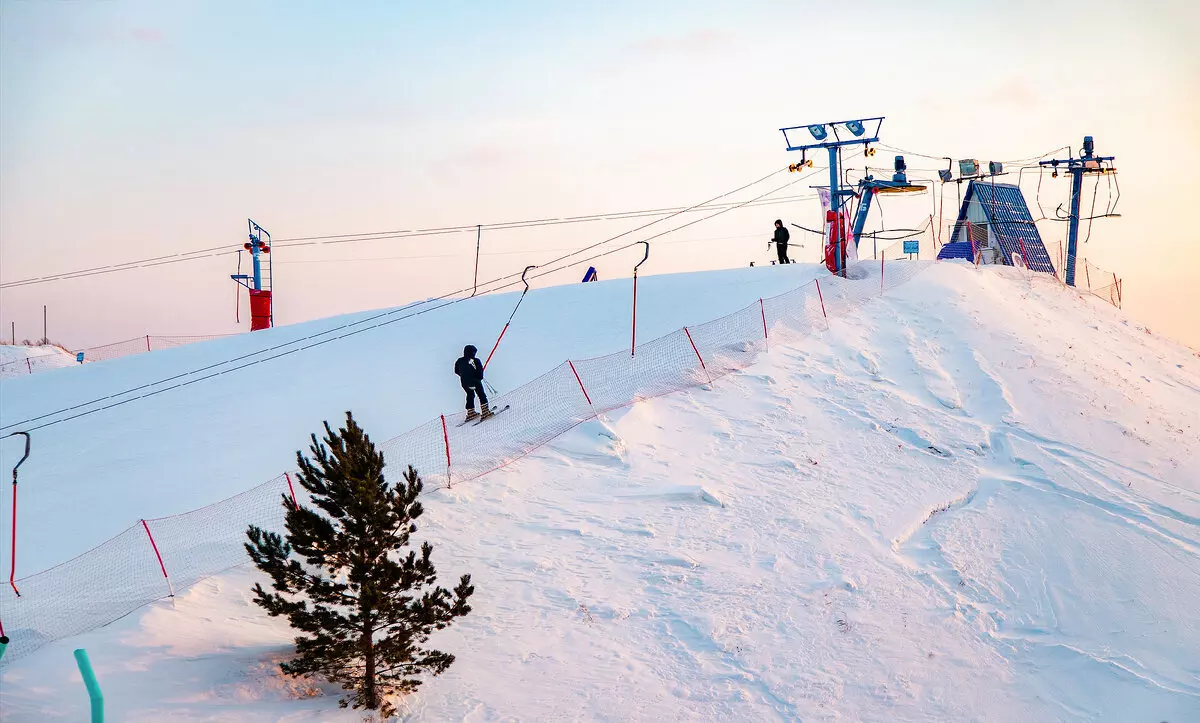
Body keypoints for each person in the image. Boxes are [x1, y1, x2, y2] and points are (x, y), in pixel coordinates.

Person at [454, 345, 492, 420]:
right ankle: (485, 412)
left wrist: (464, 375)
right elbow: (480, 374)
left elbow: (456, 371)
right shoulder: (476, 361)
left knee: (470, 394)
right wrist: (478, 377)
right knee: (481, 395)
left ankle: (470, 412)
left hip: (465, 383)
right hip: (475, 381)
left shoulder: (459, 361)